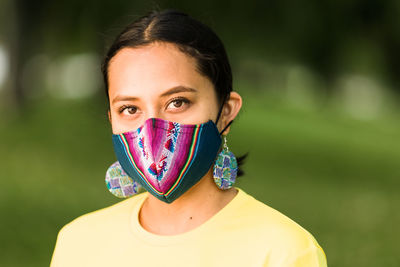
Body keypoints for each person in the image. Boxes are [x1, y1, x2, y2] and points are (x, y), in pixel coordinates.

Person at [50, 9, 327, 267]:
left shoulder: (284, 250)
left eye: (177, 102)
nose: (152, 129)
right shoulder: (77, 243)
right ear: (112, 119)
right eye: (130, 109)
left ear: (226, 112)